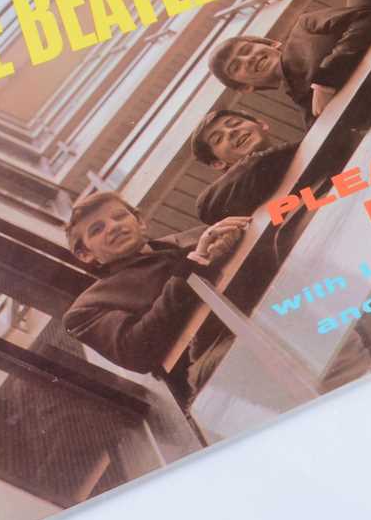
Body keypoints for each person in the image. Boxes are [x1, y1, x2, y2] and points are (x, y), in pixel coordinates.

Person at [62, 191, 248, 378]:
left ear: (140, 222)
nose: (113, 226)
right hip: (220, 365)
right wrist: (194, 264)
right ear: (85, 254)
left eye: (119, 216)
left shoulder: (197, 236)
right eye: (96, 229)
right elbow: (136, 353)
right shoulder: (86, 309)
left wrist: (236, 237)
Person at [207, 3, 371, 122]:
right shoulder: (303, 104)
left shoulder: (305, 26)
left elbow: (368, 16)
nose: (248, 59)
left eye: (246, 50)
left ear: (271, 43)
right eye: (236, 67)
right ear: (246, 87)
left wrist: (324, 81)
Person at [190, 109, 296, 224]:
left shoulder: (301, 148)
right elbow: (206, 206)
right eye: (218, 139)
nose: (231, 131)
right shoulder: (226, 198)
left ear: (261, 124)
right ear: (218, 163)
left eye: (236, 123)